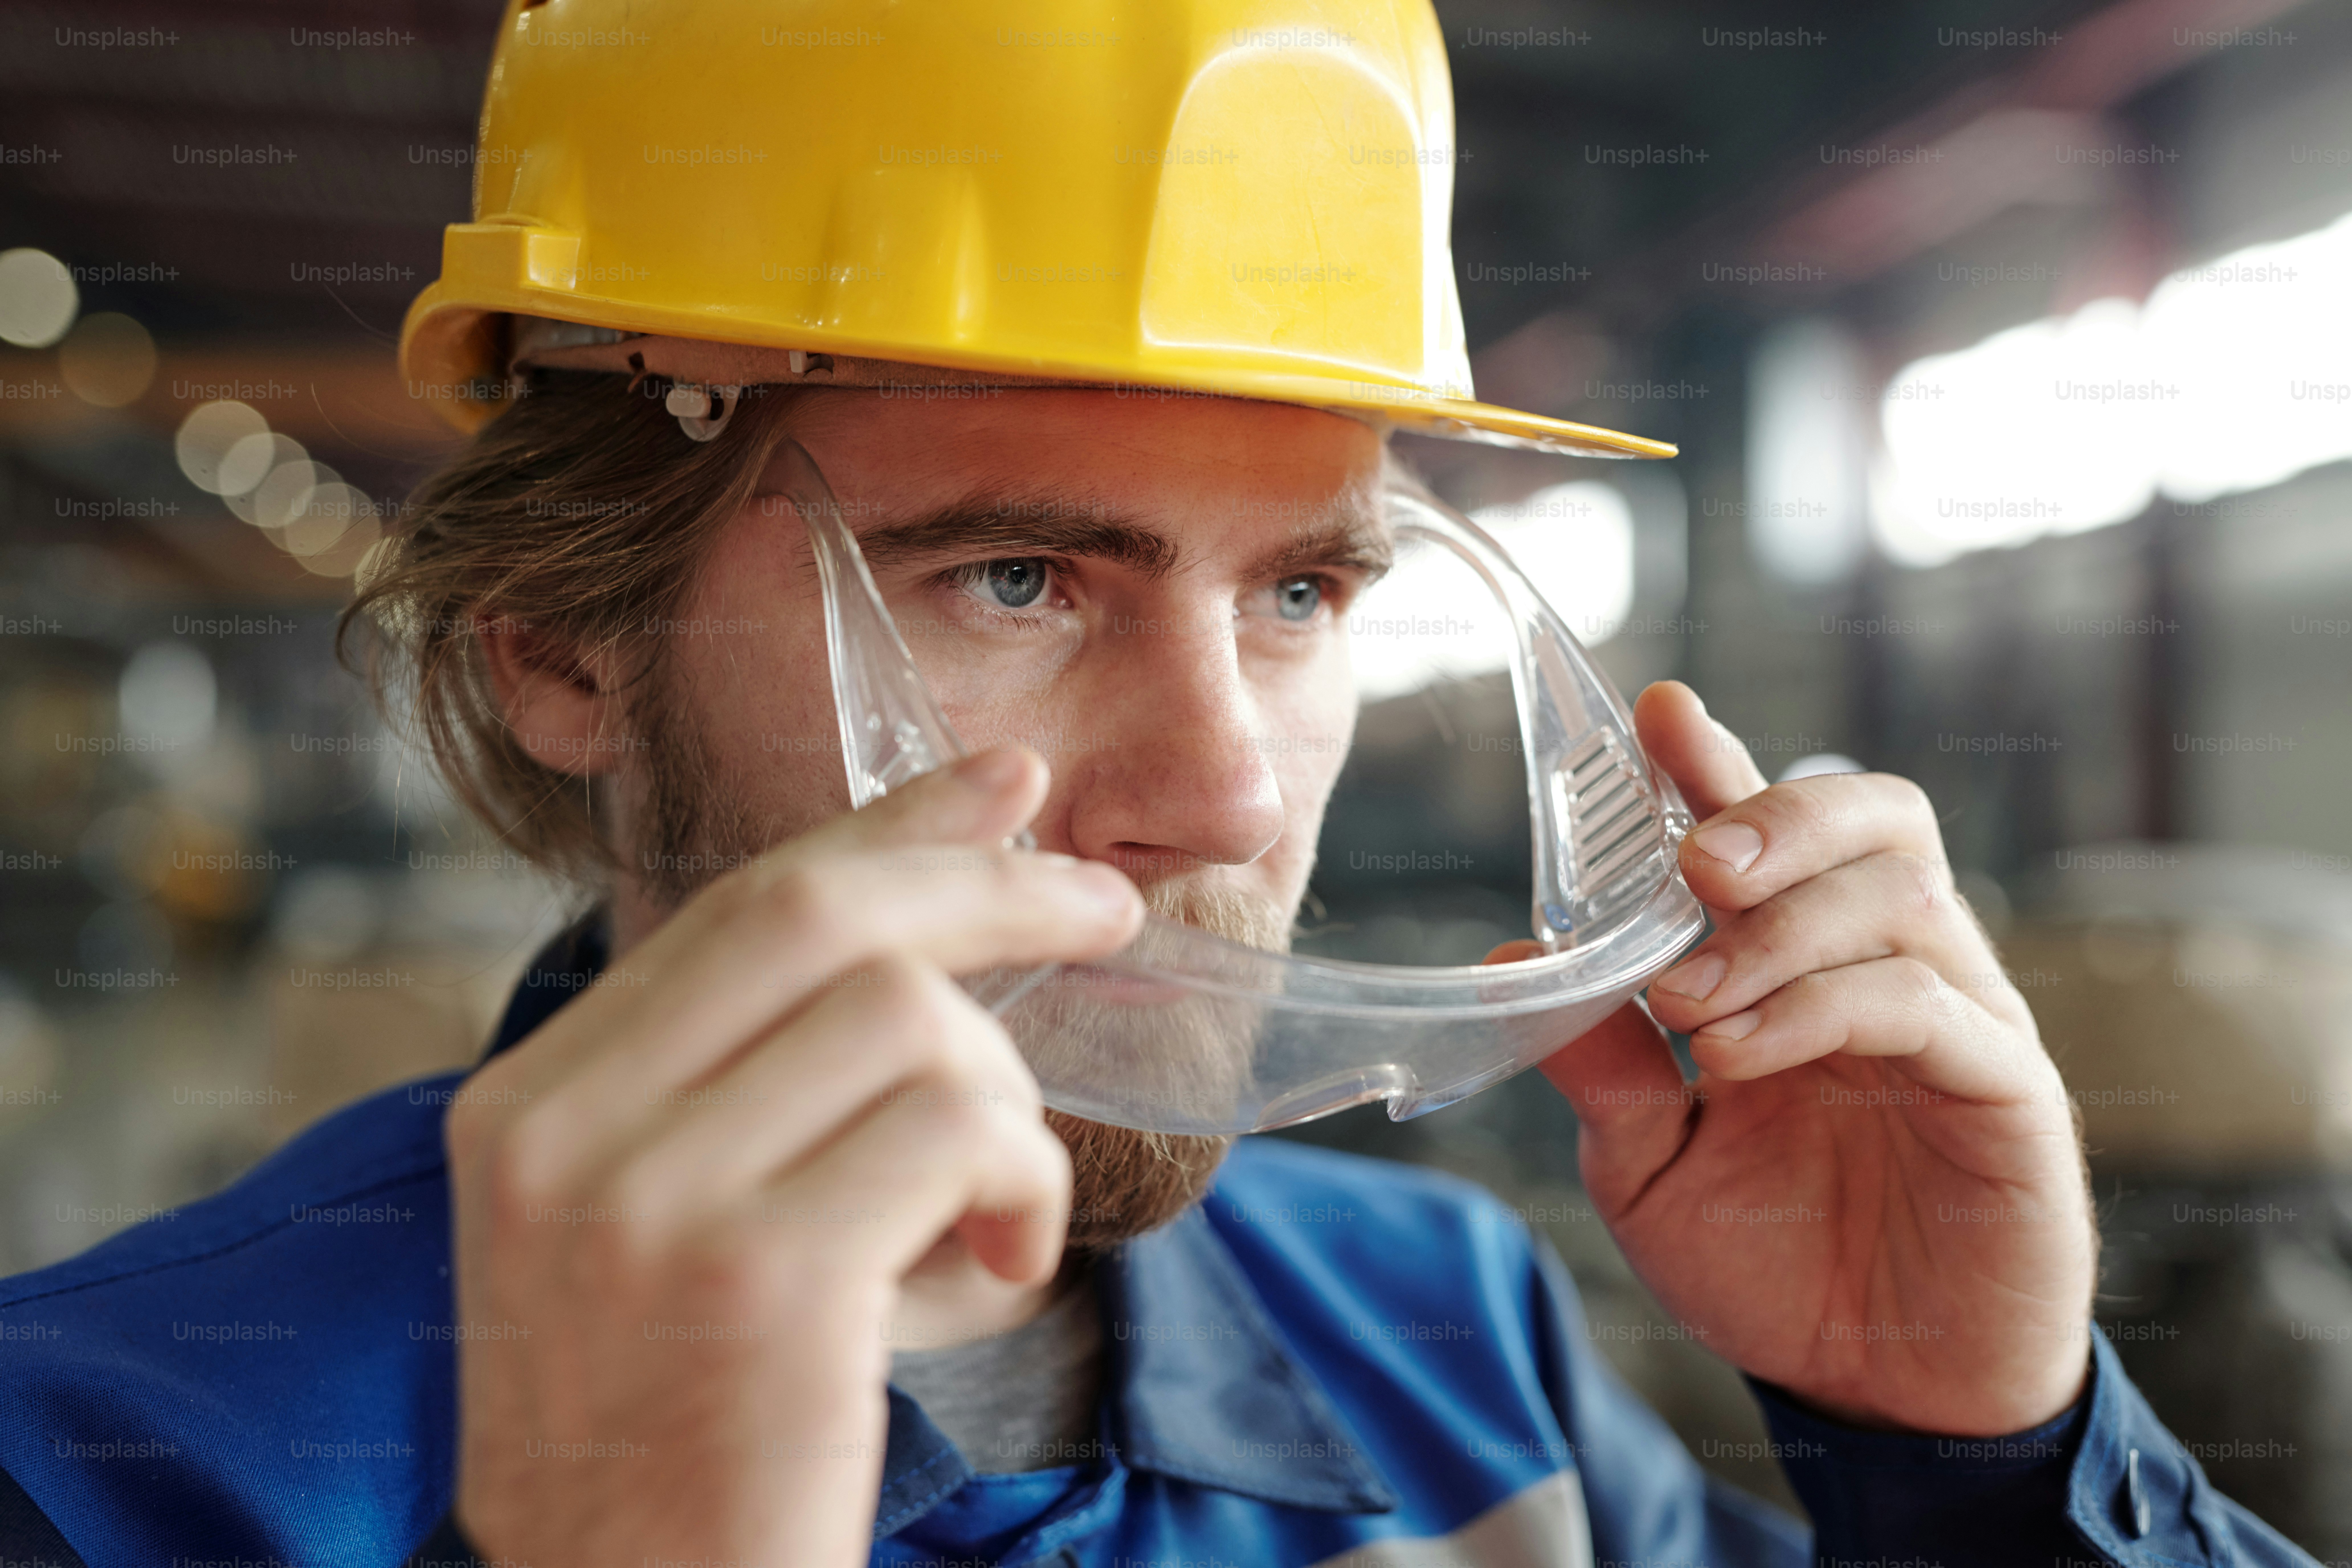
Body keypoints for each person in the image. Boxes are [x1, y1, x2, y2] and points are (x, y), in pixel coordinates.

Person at [0, 3, 2318, 1565]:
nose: (1221, 796)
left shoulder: (1447, 1338)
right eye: (1015, 578)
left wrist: (1987, 1464)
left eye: (1307, 594)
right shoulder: (116, 1452)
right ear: (558, 657)